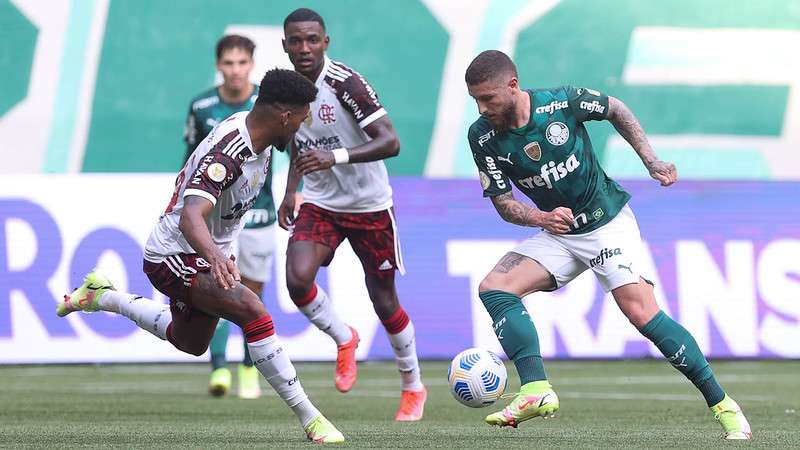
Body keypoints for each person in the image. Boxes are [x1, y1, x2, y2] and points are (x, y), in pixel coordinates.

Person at [464, 50, 752, 440]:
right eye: (476, 100)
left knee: (641, 313)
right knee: (494, 288)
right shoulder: (481, 136)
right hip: (559, 233)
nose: (482, 108)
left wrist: (650, 160)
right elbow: (504, 203)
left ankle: (724, 406)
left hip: (606, 224)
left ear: (512, 86)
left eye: (488, 98)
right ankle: (535, 389)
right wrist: (540, 218)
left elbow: (615, 108)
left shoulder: (561, 103)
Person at [57, 68, 345, 444]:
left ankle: (102, 296)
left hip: (209, 251)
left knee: (190, 342)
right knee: (253, 311)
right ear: (283, 116)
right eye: (300, 119)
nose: (301, 128)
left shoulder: (264, 129)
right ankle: (312, 419)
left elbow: (292, 147)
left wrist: (292, 191)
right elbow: (193, 216)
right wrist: (217, 257)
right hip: (174, 253)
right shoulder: (230, 152)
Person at [277, 8, 427, 421]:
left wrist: (335, 157)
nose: (304, 48)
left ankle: (413, 386)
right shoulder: (284, 89)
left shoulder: (346, 84)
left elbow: (390, 141)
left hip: (370, 205)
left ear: (326, 42)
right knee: (296, 278)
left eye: (312, 40)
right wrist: (292, 192)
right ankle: (344, 338)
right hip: (322, 203)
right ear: (285, 45)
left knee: (383, 299)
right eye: (296, 41)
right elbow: (294, 141)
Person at [183, 34, 278, 399]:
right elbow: (191, 158)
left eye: (242, 63)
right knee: (217, 286)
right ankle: (219, 367)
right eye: (228, 63)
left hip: (258, 210)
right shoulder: (202, 106)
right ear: (218, 65)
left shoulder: (265, 103)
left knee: (252, 291)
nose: (235, 70)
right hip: (212, 216)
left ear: (251, 64)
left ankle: (249, 368)